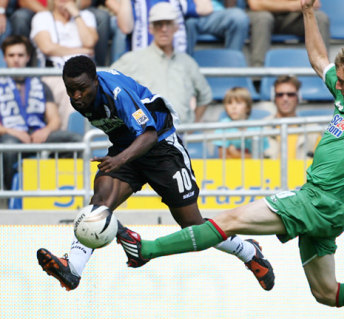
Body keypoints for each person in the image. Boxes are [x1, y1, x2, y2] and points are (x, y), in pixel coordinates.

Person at [111, 1, 344, 319]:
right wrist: (308, 13)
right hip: (327, 210)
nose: (335, 86)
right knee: (327, 292)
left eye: (341, 82)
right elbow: (318, 59)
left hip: (316, 200)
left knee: (231, 219)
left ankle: (146, 250)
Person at [36, 55, 275, 292]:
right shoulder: (82, 99)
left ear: (96, 81)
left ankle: (249, 251)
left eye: (82, 89)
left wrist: (119, 159)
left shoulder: (117, 94)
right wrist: (121, 156)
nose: (76, 96)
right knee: (99, 205)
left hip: (160, 147)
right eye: (70, 90)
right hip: (127, 146)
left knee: (191, 225)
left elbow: (148, 135)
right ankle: (73, 269)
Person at [0, 35, 82, 190]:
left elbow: (55, 120)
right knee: (9, 146)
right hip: (10, 136)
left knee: (75, 139)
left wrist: (46, 130)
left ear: (28, 57)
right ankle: (10, 197)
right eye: (11, 55)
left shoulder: (40, 85)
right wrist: (12, 132)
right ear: (5, 58)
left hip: (39, 134)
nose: (16, 60)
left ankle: (60, 186)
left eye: (20, 55)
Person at [111, 1, 212, 124]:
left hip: (181, 135)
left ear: (176, 27)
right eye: (158, 24)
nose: (164, 29)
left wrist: (191, 127)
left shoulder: (188, 63)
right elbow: (107, 87)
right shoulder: (132, 60)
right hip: (147, 137)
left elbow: (205, 96)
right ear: (150, 28)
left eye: (168, 23)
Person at [30, 0, 99, 130]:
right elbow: (47, 48)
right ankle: (72, 141)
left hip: (85, 74)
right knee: (71, 89)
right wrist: (80, 50)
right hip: (54, 73)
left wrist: (76, 14)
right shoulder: (42, 17)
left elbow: (89, 42)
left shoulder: (86, 16)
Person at [247, 0, 329, 68]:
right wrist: (294, 5)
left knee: (320, 18)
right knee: (263, 19)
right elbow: (255, 4)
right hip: (261, 15)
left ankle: (323, 72)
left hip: (293, 17)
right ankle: (257, 78)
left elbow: (314, 3)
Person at [266, 75, 321, 159]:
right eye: (280, 95)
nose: (285, 98)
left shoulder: (312, 129)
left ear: (298, 97)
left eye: (290, 94)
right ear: (274, 98)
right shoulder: (262, 128)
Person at [213, 87, 269, 158]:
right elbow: (223, 157)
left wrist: (235, 154)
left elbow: (261, 158)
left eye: (239, 103)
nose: (234, 107)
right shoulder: (222, 126)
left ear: (247, 107)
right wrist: (249, 157)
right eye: (229, 103)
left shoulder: (257, 127)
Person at [184, 0, 249, 55]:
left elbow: (231, 6)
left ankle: (233, 66)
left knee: (238, 17)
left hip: (222, 14)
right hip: (196, 14)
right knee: (237, 16)